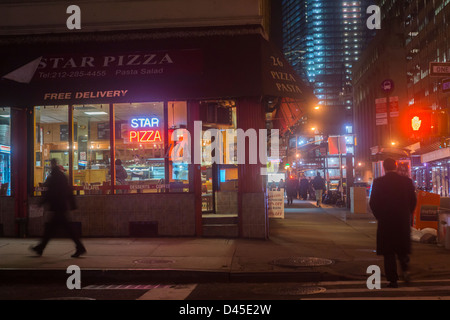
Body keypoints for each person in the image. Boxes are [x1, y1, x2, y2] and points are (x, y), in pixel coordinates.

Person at [369, 158, 417, 288]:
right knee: (402, 249)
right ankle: (406, 271)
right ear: (396, 166)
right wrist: (407, 214)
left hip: (386, 221)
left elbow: (373, 203)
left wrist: (380, 216)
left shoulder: (378, 182)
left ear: (384, 167)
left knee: (388, 251)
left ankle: (393, 280)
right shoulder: (407, 182)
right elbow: (413, 201)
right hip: (402, 220)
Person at [30, 159, 86, 258]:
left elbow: (49, 193)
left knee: (54, 229)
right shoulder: (62, 177)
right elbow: (69, 190)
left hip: (57, 207)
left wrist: (41, 203)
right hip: (62, 206)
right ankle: (41, 247)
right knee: (57, 229)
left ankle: (41, 247)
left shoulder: (53, 178)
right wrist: (72, 204)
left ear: (52, 165)